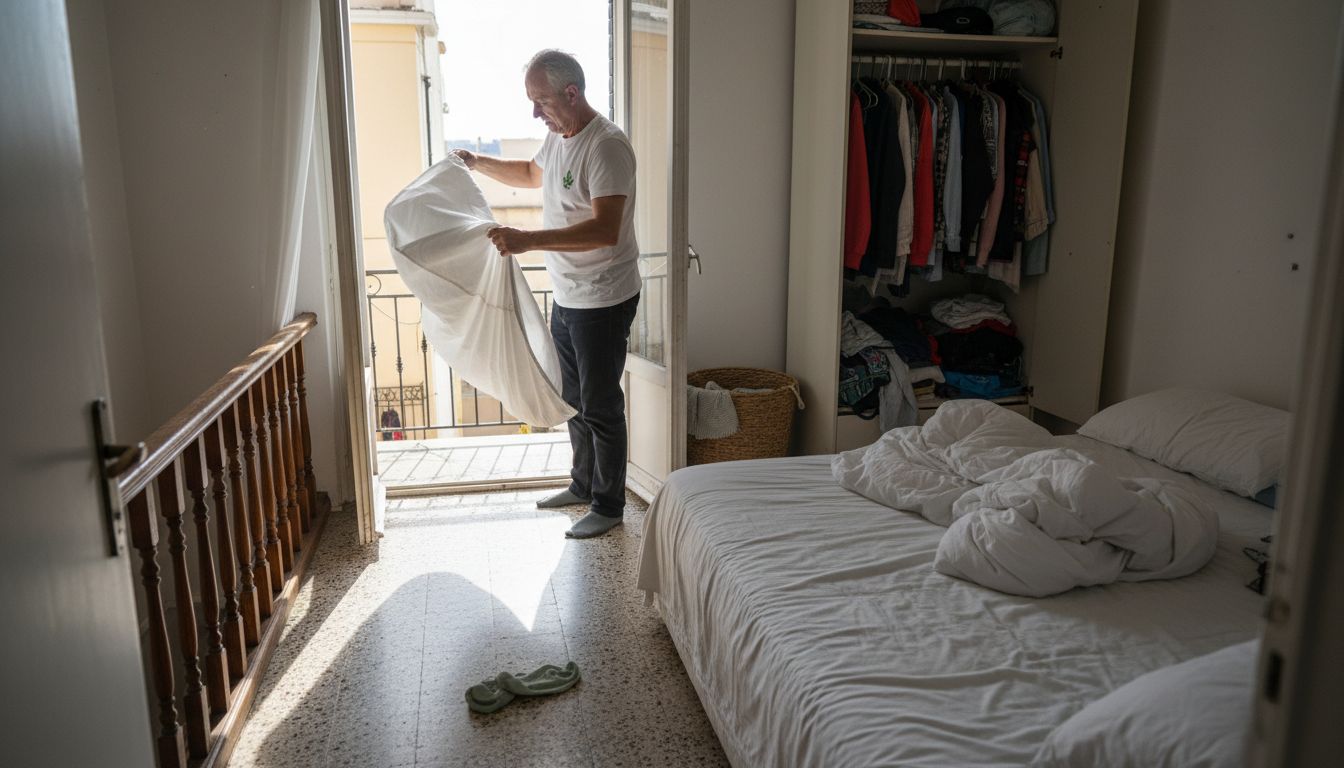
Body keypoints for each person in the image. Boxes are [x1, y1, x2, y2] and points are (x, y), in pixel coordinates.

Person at [453, 49, 639, 540]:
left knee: (600, 403)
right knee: (572, 397)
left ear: (571, 94)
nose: (535, 112)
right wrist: (478, 163)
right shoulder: (558, 137)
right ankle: (581, 484)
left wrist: (528, 240)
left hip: (603, 297)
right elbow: (533, 175)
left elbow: (605, 230)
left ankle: (609, 504)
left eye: (541, 101)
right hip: (570, 294)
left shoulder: (606, 148)